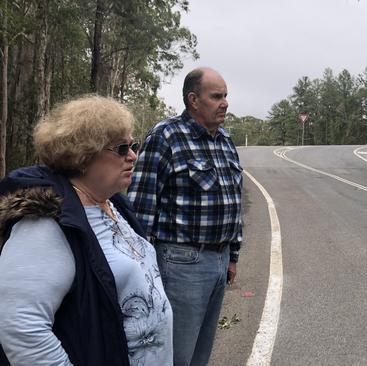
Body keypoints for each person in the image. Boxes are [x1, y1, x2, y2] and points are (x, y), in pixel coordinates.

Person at [0, 95, 173, 365]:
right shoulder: (46, 224)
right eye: (121, 148)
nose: (133, 155)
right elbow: (20, 326)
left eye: (133, 145)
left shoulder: (113, 204)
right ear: (83, 156)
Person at [128, 67, 243, 366]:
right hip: (182, 264)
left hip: (219, 261)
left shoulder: (226, 141)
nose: (225, 103)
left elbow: (234, 199)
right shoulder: (165, 136)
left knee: (201, 354)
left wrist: (233, 256)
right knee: (177, 354)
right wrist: (141, 273)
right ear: (193, 99)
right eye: (216, 96)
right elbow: (141, 208)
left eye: (226, 96)